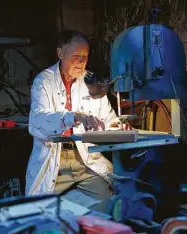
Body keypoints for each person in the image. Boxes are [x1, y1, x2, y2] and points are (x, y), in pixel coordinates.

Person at [26, 30, 132, 212]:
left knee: (110, 206)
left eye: (85, 56)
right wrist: (73, 116)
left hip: (85, 160)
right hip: (55, 160)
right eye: (76, 56)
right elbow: (38, 122)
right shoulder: (43, 82)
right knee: (43, 214)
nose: (82, 61)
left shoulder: (90, 81)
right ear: (60, 53)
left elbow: (108, 119)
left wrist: (118, 126)